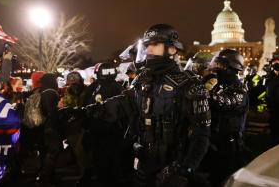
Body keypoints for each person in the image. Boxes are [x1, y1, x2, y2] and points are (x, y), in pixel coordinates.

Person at [79, 24, 211, 187]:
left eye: (155, 45)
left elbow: (201, 134)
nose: (149, 50)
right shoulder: (143, 80)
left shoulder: (188, 84)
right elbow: (122, 103)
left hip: (173, 166)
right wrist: (84, 112)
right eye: (148, 45)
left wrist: (186, 169)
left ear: (171, 49)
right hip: (142, 162)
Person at [205, 49, 249, 186]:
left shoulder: (239, 89)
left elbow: (222, 102)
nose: (218, 69)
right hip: (215, 142)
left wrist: (202, 94)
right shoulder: (219, 86)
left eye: (221, 66)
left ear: (231, 68)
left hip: (230, 145)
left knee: (226, 180)